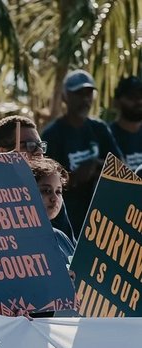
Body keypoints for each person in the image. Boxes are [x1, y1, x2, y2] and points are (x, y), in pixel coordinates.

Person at [41, 69, 123, 238]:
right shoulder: (52, 134)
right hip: (68, 222)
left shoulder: (99, 129)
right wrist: (75, 177)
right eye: (78, 94)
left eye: (88, 94)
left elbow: (121, 168)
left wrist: (95, 165)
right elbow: (44, 180)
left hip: (101, 221)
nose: (85, 99)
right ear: (65, 97)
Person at [0, 114, 75, 239]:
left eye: (40, 146)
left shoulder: (51, 192)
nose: (39, 152)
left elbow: (67, 246)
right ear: (2, 153)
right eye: (30, 145)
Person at [29, 157, 76, 262]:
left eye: (58, 192)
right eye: (46, 191)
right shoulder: (15, 242)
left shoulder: (61, 237)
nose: (54, 198)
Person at [109, 75, 142, 172]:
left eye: (141, 96)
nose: (139, 101)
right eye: (132, 97)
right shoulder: (107, 136)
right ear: (116, 102)